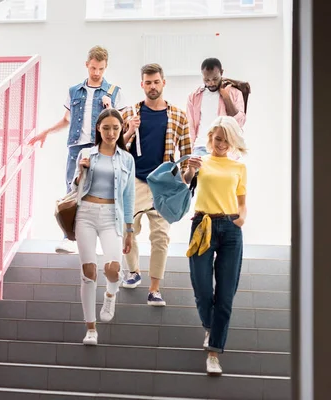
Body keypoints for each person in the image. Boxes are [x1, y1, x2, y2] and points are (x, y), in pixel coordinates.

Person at [29, 45, 129, 254]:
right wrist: (46, 131)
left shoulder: (114, 92)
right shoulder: (74, 91)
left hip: (101, 146)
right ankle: (69, 238)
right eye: (93, 68)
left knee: (104, 190)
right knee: (73, 189)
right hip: (76, 147)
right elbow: (67, 119)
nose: (96, 73)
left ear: (105, 67)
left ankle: (105, 238)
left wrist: (109, 107)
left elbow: (121, 125)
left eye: (101, 69)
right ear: (87, 65)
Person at [119, 63, 192, 306]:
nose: (152, 86)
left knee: (160, 236)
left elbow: (187, 155)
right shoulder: (130, 113)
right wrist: (129, 131)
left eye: (156, 82)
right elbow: (117, 148)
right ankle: (133, 271)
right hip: (135, 181)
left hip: (163, 184)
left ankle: (154, 289)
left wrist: (182, 185)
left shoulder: (179, 116)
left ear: (163, 82)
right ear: (142, 84)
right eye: (148, 82)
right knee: (127, 230)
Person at [182, 116, 248, 376]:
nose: (221, 144)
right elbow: (186, 183)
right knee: (201, 287)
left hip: (231, 228)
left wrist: (241, 219)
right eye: (218, 138)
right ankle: (211, 325)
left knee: (226, 294)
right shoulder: (200, 161)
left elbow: (242, 200)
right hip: (202, 224)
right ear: (210, 138)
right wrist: (189, 169)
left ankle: (214, 353)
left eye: (226, 140)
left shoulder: (238, 167)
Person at [70, 108, 135, 346]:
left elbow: (128, 197)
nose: (111, 133)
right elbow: (75, 187)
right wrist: (81, 171)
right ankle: (90, 328)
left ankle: (110, 294)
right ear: (98, 128)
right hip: (86, 213)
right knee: (88, 273)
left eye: (116, 128)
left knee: (113, 269)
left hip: (112, 217)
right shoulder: (87, 154)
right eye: (106, 128)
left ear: (121, 129)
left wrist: (130, 230)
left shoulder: (126, 159)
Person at [186, 58, 246, 156]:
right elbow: (190, 126)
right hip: (201, 147)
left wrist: (226, 97)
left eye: (215, 79)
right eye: (207, 80)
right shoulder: (194, 97)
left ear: (221, 73)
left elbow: (240, 122)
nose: (211, 83)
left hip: (225, 149)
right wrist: (192, 148)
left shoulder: (235, 93)